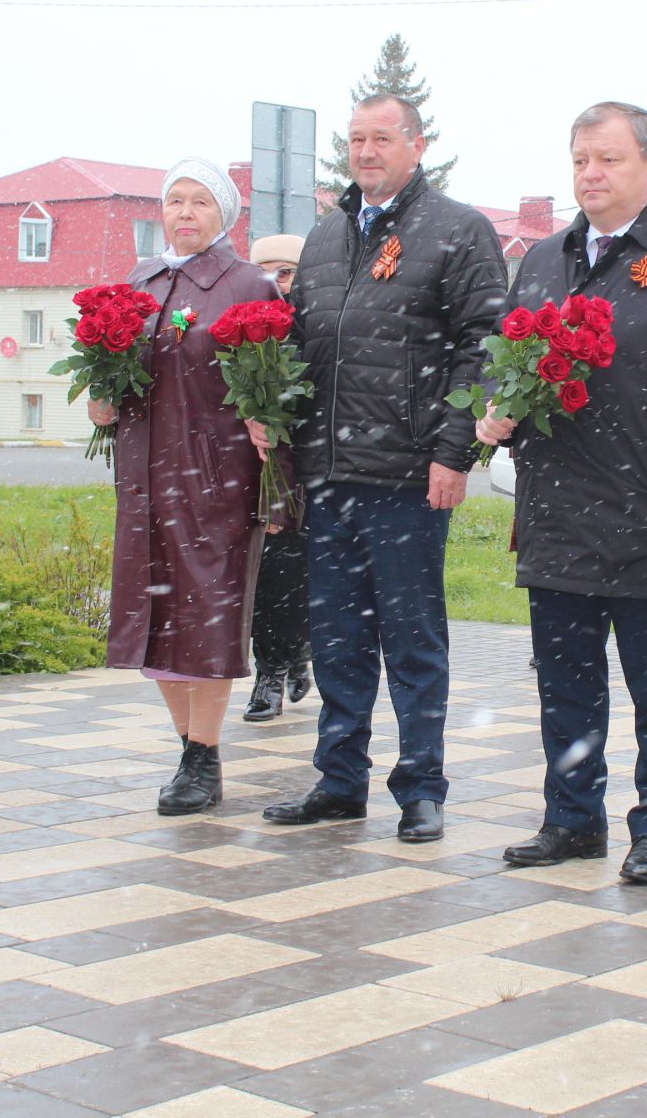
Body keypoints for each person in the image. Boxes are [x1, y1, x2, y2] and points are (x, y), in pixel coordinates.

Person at [477, 102, 647, 885]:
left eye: (607, 160)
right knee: (566, 685)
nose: (590, 176)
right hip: (559, 506)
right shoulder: (545, 259)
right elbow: (505, 354)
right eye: (579, 161)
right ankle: (571, 818)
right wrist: (494, 404)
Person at [257, 93, 506, 844]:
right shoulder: (328, 236)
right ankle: (339, 781)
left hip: (407, 476)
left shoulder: (457, 232)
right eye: (356, 139)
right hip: (328, 476)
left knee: (412, 639)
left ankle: (421, 787)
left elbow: (485, 346)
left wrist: (454, 451)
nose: (367, 152)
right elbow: (302, 342)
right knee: (335, 637)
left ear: (416, 146)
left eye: (382, 139)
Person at [95, 157, 287, 816]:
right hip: (145, 477)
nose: (184, 213)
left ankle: (203, 758)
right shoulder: (141, 281)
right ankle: (188, 747)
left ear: (224, 214)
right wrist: (101, 392)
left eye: (199, 201)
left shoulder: (248, 285)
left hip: (218, 479)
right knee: (154, 617)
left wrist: (269, 423)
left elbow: (278, 381)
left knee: (207, 617)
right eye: (175, 200)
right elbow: (118, 376)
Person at [241, 233, 313, 723]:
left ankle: (299, 653)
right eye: (264, 272)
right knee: (267, 577)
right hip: (257, 467)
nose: (275, 283)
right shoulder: (240, 329)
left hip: (311, 466)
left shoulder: (318, 323)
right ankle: (269, 674)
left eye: (284, 272)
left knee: (301, 574)